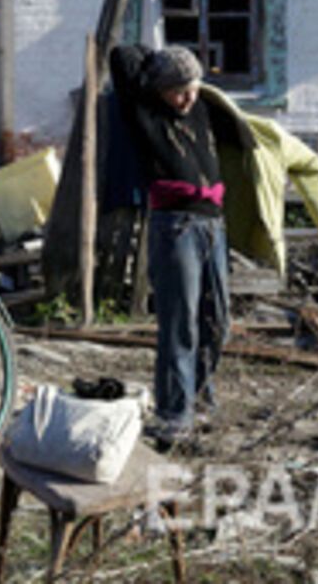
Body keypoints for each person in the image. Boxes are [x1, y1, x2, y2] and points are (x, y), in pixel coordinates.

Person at [109, 44, 241, 446]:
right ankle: (173, 414)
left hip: (213, 225)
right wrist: (163, 65)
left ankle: (201, 398)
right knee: (179, 322)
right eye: (180, 89)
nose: (189, 97)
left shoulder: (200, 110)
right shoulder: (144, 112)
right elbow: (121, 57)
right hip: (175, 227)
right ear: (160, 88)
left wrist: (187, 75)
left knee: (217, 319)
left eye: (195, 86)